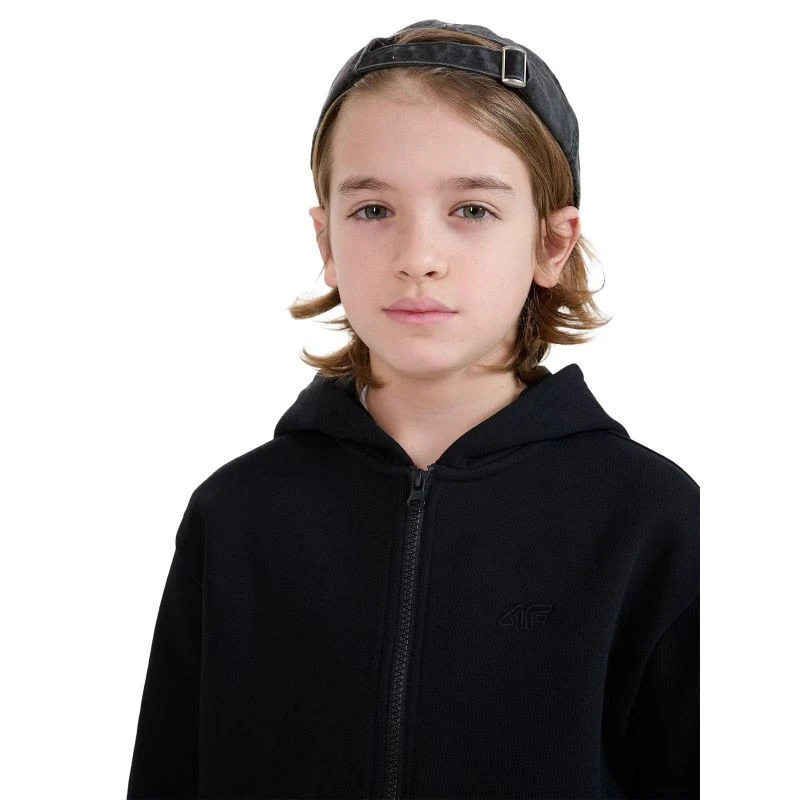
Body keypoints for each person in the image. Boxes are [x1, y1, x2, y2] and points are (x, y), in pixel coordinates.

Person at [127, 20, 699, 800]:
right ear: (326, 241)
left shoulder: (653, 520)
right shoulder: (235, 515)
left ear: (552, 244)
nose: (418, 256)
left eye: (472, 210)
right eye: (373, 210)